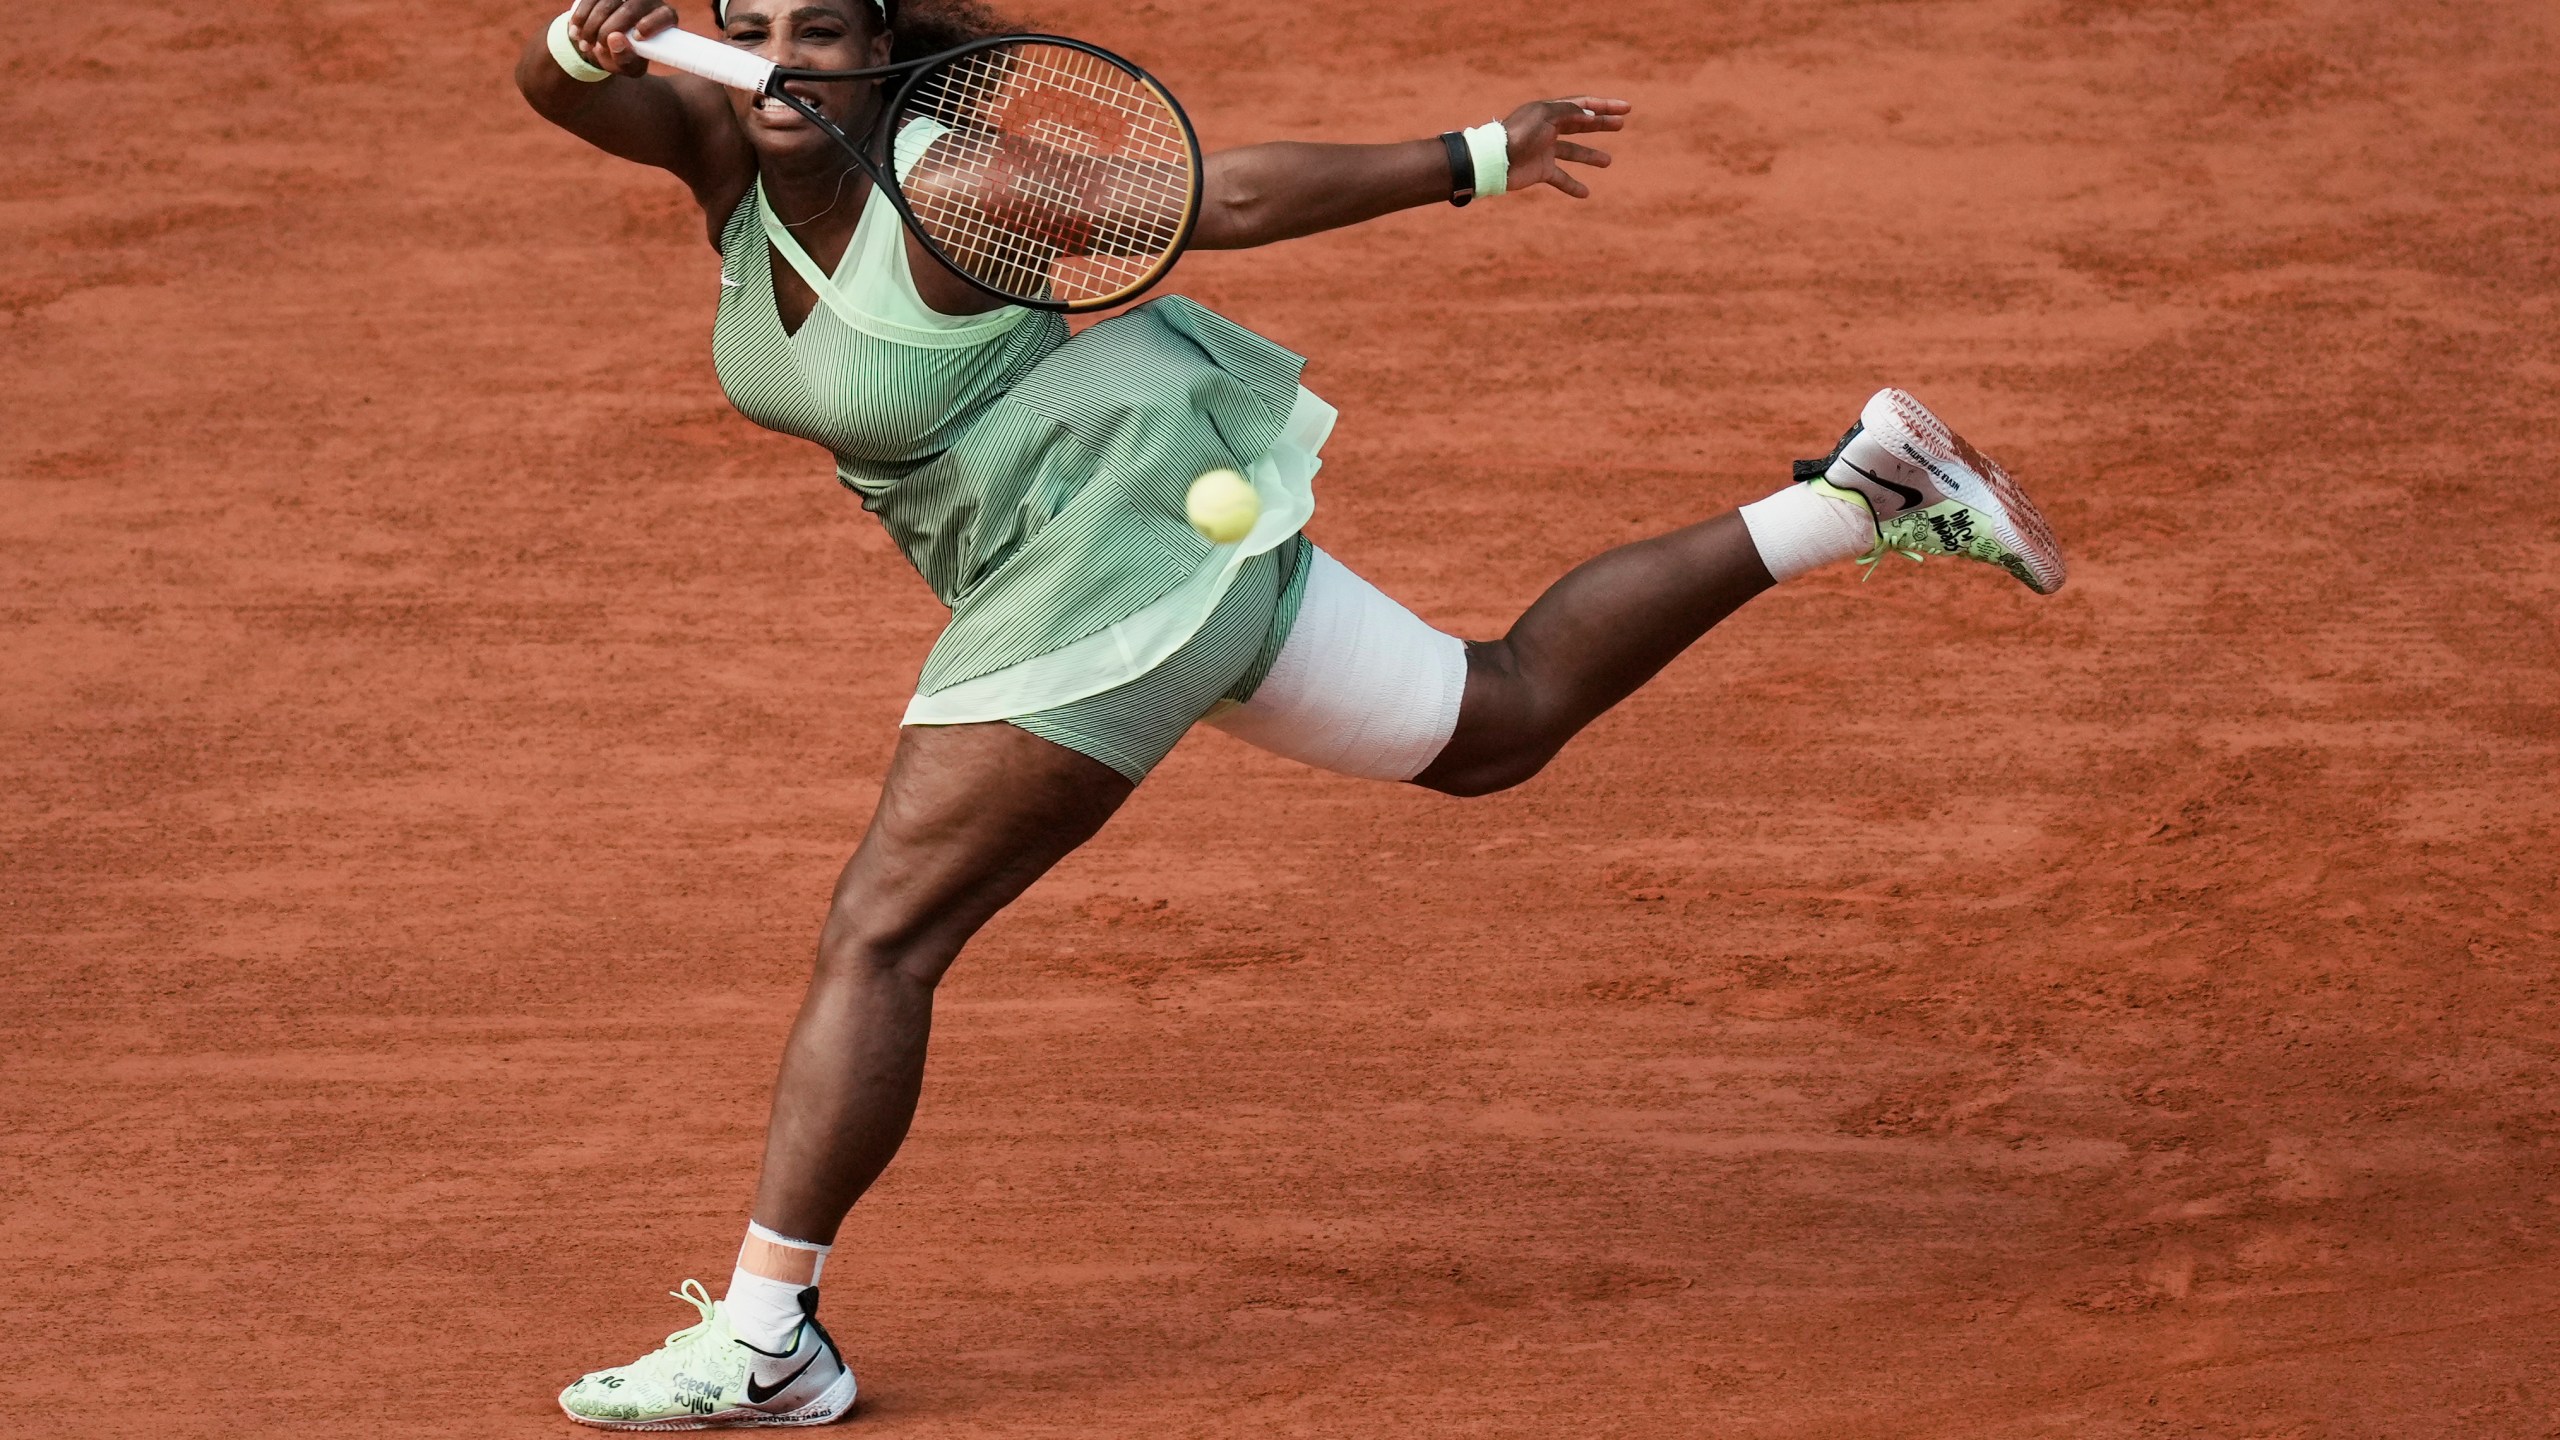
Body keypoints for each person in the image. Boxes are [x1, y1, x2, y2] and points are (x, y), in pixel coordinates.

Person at [516, 0, 2068, 1426]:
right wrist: (586, 43)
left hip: (1097, 550)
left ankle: (771, 1338)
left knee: (884, 932)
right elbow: (554, 87)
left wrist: (1474, 156)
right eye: (752, 26)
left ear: (883, 47)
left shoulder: (961, 182)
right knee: (1493, 721)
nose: (783, 56)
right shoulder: (727, 140)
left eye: (823, 29)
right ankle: (1864, 495)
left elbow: (1226, 201)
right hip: (1131, 531)